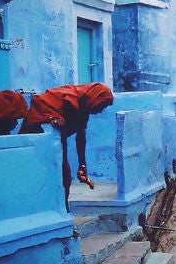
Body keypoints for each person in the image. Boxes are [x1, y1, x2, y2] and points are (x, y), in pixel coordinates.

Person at [19, 82, 114, 212]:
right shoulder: (68, 97)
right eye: (102, 105)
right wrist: (51, 118)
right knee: (44, 177)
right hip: (35, 140)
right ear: (94, 98)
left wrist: (82, 166)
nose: (101, 110)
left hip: (58, 143)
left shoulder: (83, 108)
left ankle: (63, 211)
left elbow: (81, 136)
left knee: (65, 176)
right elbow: (41, 102)